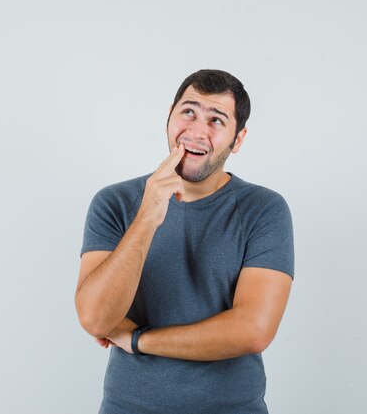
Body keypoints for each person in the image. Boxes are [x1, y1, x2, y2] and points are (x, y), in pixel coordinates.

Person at [75, 69, 294, 414]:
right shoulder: (115, 202)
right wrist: (148, 215)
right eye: (188, 111)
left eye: (217, 120)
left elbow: (252, 330)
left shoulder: (263, 209)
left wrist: (139, 340)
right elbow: (95, 317)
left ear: (238, 140)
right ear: (169, 118)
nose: (197, 130)